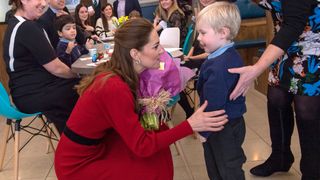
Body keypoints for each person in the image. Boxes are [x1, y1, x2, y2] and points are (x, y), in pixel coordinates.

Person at [54, 18, 228, 180]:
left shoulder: (121, 72)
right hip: (77, 164)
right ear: (135, 54)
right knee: (150, 168)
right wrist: (190, 125)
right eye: (155, 46)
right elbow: (142, 146)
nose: (161, 51)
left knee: (159, 138)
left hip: (99, 144)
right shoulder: (114, 87)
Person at [229, 0, 320, 179]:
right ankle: (280, 157)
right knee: (277, 99)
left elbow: (294, 24)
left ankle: (313, 170)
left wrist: (257, 67)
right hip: (284, 48)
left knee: (306, 110)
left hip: (313, 49)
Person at [3, 0, 80, 134]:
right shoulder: (27, 27)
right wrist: (79, 74)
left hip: (23, 93)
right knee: (83, 86)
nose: (44, 3)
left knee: (76, 87)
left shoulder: (15, 23)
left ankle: (74, 143)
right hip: (33, 93)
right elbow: (56, 68)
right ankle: (77, 144)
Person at [196, 2, 246, 180]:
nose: (199, 38)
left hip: (221, 126)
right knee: (220, 165)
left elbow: (214, 104)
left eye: (203, 33)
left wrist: (203, 132)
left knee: (226, 169)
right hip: (227, 124)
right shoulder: (225, 54)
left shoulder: (220, 67)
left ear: (223, 33)